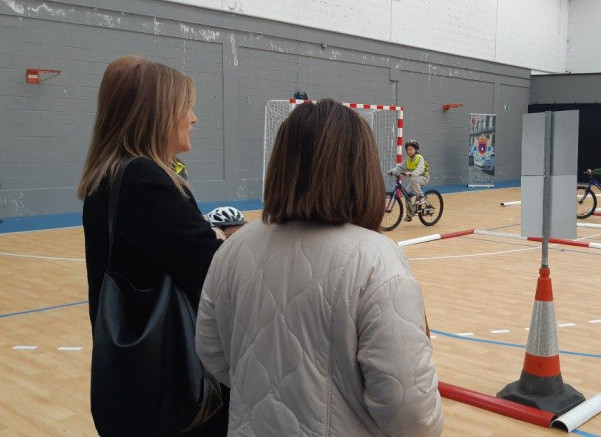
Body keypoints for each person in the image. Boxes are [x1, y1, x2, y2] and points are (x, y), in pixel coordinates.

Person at [195, 99, 444, 436]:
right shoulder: (377, 260)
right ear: (362, 170)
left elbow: (213, 354)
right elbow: (413, 416)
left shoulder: (234, 247)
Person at [79, 55, 228, 434]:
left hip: (141, 377)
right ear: (157, 114)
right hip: (171, 378)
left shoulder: (112, 175)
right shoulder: (142, 179)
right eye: (186, 108)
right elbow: (212, 269)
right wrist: (225, 239)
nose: (194, 118)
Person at [390, 139, 430, 206]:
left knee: (413, 180)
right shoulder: (408, 159)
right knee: (407, 194)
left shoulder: (420, 158)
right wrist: (392, 171)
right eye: (407, 150)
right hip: (414, 179)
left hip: (424, 178)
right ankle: (410, 213)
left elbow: (420, 169)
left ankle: (421, 197)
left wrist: (412, 173)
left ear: (416, 150)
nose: (409, 151)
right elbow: (400, 167)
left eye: (411, 149)